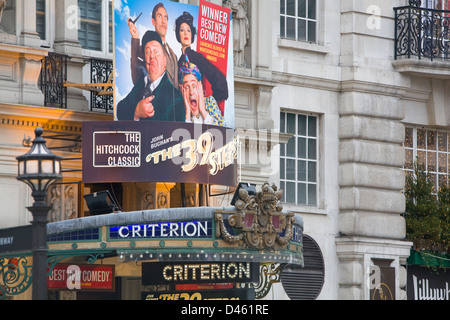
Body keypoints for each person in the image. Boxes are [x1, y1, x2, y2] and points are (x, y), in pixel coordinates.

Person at [117, 31, 185, 122]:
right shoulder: (140, 84)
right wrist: (136, 111)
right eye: (148, 52)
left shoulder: (175, 97)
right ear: (145, 61)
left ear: (165, 61)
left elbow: (175, 132)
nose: (152, 56)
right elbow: (120, 109)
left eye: (156, 51)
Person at [175, 11, 229, 112]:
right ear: (178, 34)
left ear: (192, 34)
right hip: (183, 110)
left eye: (189, 30)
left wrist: (209, 102)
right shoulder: (178, 61)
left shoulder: (196, 57)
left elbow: (218, 77)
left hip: (198, 108)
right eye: (182, 30)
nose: (186, 33)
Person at [128, 2, 179, 87]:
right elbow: (136, 76)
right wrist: (135, 37)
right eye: (159, 16)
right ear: (153, 21)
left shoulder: (173, 54)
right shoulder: (146, 49)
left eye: (165, 18)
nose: (163, 21)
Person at [179, 56, 225, 126]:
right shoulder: (178, 109)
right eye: (187, 87)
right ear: (182, 90)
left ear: (200, 86)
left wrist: (203, 111)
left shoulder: (210, 102)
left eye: (194, 86)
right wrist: (187, 115)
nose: (191, 92)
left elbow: (222, 130)